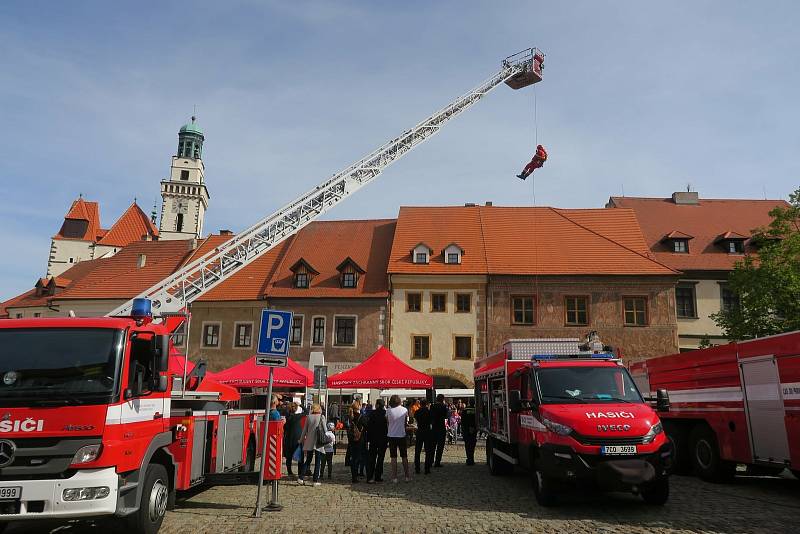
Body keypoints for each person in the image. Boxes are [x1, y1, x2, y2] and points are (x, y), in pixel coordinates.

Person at [297, 403, 327, 486]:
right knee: (318, 461)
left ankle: (301, 477)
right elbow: (325, 430)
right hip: (318, 442)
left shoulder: (308, 417)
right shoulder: (322, 417)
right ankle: (315, 480)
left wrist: (301, 440)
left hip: (309, 441)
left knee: (308, 460)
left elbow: (304, 431)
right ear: (318, 409)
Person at [386, 394, 412, 483]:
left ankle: (394, 477)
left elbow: (388, 423)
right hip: (401, 435)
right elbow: (405, 423)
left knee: (393, 457)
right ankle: (407, 476)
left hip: (391, 435)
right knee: (404, 456)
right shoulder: (404, 410)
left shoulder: (388, 411)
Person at [365, 398, 388, 483]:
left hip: (373, 439)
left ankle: (370, 477)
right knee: (380, 458)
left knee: (372, 458)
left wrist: (368, 439)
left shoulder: (372, 413)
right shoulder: (385, 414)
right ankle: (378, 476)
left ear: (377, 405)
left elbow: (368, 426)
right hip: (383, 439)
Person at [346, 400, 365, 483]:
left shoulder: (350, 416)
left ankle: (353, 476)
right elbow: (366, 426)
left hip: (351, 439)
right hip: (359, 439)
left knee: (353, 458)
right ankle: (356, 474)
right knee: (358, 458)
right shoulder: (360, 416)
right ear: (359, 407)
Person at [283, 402, 303, 477]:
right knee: (299, 456)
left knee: (289, 457)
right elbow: (306, 412)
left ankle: (289, 472)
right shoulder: (297, 416)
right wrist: (300, 405)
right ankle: (300, 472)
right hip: (297, 439)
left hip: (288, 438)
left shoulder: (287, 416)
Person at [414, 399, 433, 474]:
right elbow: (432, 421)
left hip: (420, 431)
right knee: (428, 451)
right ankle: (427, 468)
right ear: (426, 404)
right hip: (427, 431)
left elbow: (416, 419)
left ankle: (417, 468)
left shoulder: (417, 412)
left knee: (417, 451)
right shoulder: (429, 412)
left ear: (420, 404)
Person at [430, 394, 450, 468]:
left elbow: (431, 416)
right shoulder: (444, 406)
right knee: (440, 446)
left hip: (434, 428)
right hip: (441, 428)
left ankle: (430, 461)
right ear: (442, 399)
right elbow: (446, 416)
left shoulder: (432, 406)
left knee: (432, 446)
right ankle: (437, 462)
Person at [461, 400, 478, 466]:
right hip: (473, 430)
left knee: (467, 445)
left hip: (466, 430)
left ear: (469, 403)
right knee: (472, 445)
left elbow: (462, 421)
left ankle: (469, 459)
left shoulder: (465, 410)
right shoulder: (476, 410)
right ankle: (472, 459)